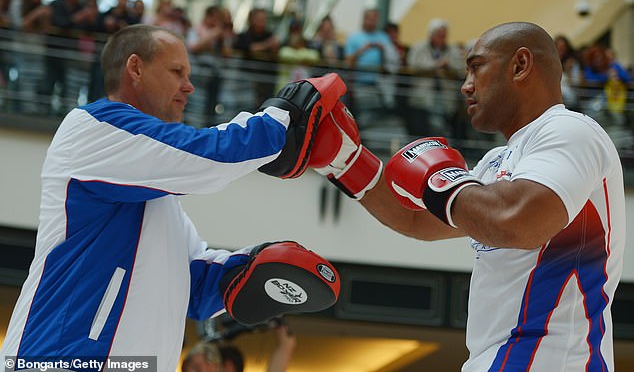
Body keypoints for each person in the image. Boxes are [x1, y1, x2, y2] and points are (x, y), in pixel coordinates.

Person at [0, 24, 342, 372]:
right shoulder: (91, 128)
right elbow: (208, 154)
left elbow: (191, 284)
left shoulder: (158, 200)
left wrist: (250, 270)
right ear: (135, 68)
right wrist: (286, 116)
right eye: (177, 71)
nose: (189, 86)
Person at [306, 22, 625, 371]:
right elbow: (415, 218)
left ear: (520, 65)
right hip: (498, 358)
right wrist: (345, 159)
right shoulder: (495, 161)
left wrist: (442, 182)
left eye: (476, 67)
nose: (465, 85)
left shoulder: (570, 131)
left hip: (552, 359)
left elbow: (518, 222)